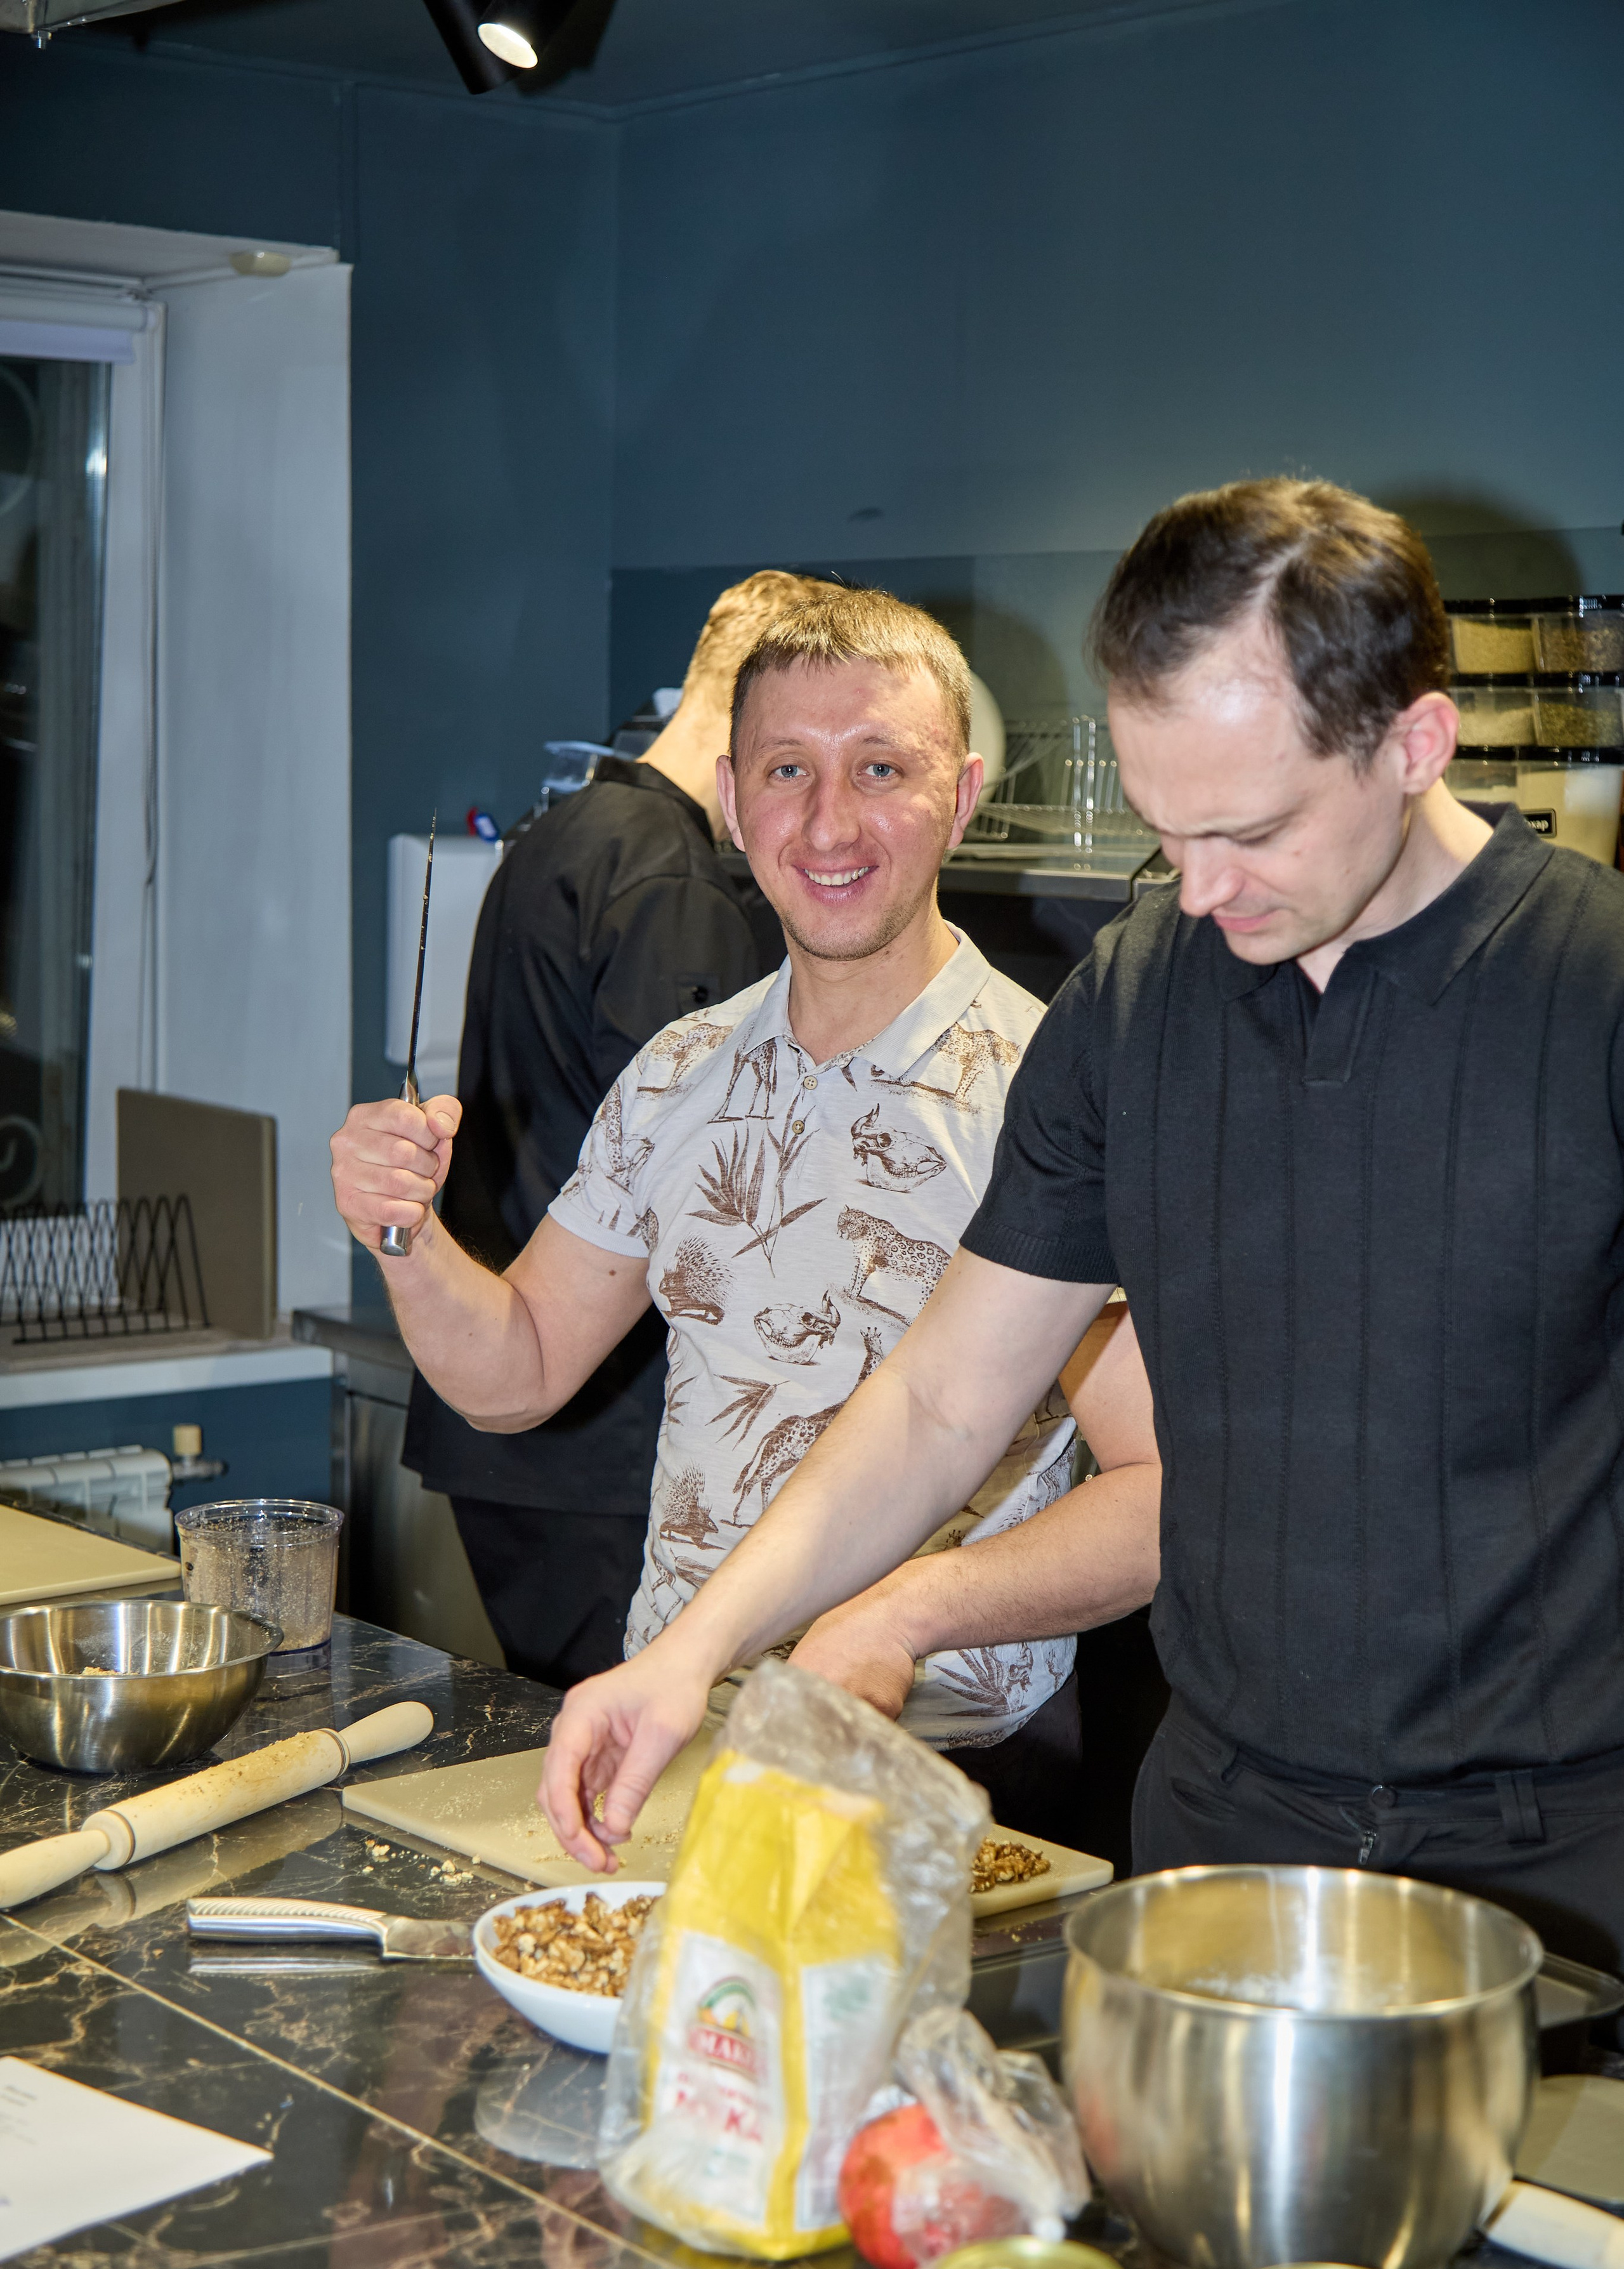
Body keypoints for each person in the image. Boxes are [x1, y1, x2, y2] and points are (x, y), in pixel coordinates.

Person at [541, 478, 1624, 1983]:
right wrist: (685, 1656)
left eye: (1245, 832)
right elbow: (936, 1398)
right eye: (1164, 833)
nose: (1199, 891)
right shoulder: (1135, 1000)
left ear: (1413, 744)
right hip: (1219, 1833)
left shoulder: (1590, 995)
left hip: (1558, 1877)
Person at [333, 587, 1162, 1836]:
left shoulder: (1040, 1096)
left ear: (964, 793)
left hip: (946, 1777)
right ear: (729, 799)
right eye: (787, 769)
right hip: (683, 1748)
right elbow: (519, 1371)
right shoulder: (679, 1069)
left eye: (879, 766)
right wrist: (407, 1234)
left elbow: (1163, 1499)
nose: (829, 821)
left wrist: (909, 1608)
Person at [400, 571, 834, 1688]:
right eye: (797, 753)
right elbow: (708, 1181)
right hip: (594, 1436)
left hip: (514, 1427)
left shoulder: (567, 828)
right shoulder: (676, 881)